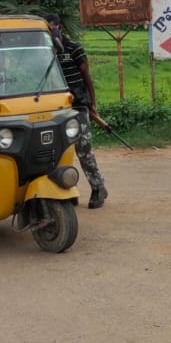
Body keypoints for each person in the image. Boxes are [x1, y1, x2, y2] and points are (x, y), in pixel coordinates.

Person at [45, 14, 108, 209]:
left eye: (51, 29)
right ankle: (65, 191)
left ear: (58, 29)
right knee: (57, 152)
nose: (49, 32)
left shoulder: (75, 48)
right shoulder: (46, 52)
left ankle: (98, 188)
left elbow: (86, 77)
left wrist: (92, 104)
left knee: (83, 149)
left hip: (79, 106)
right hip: (56, 108)